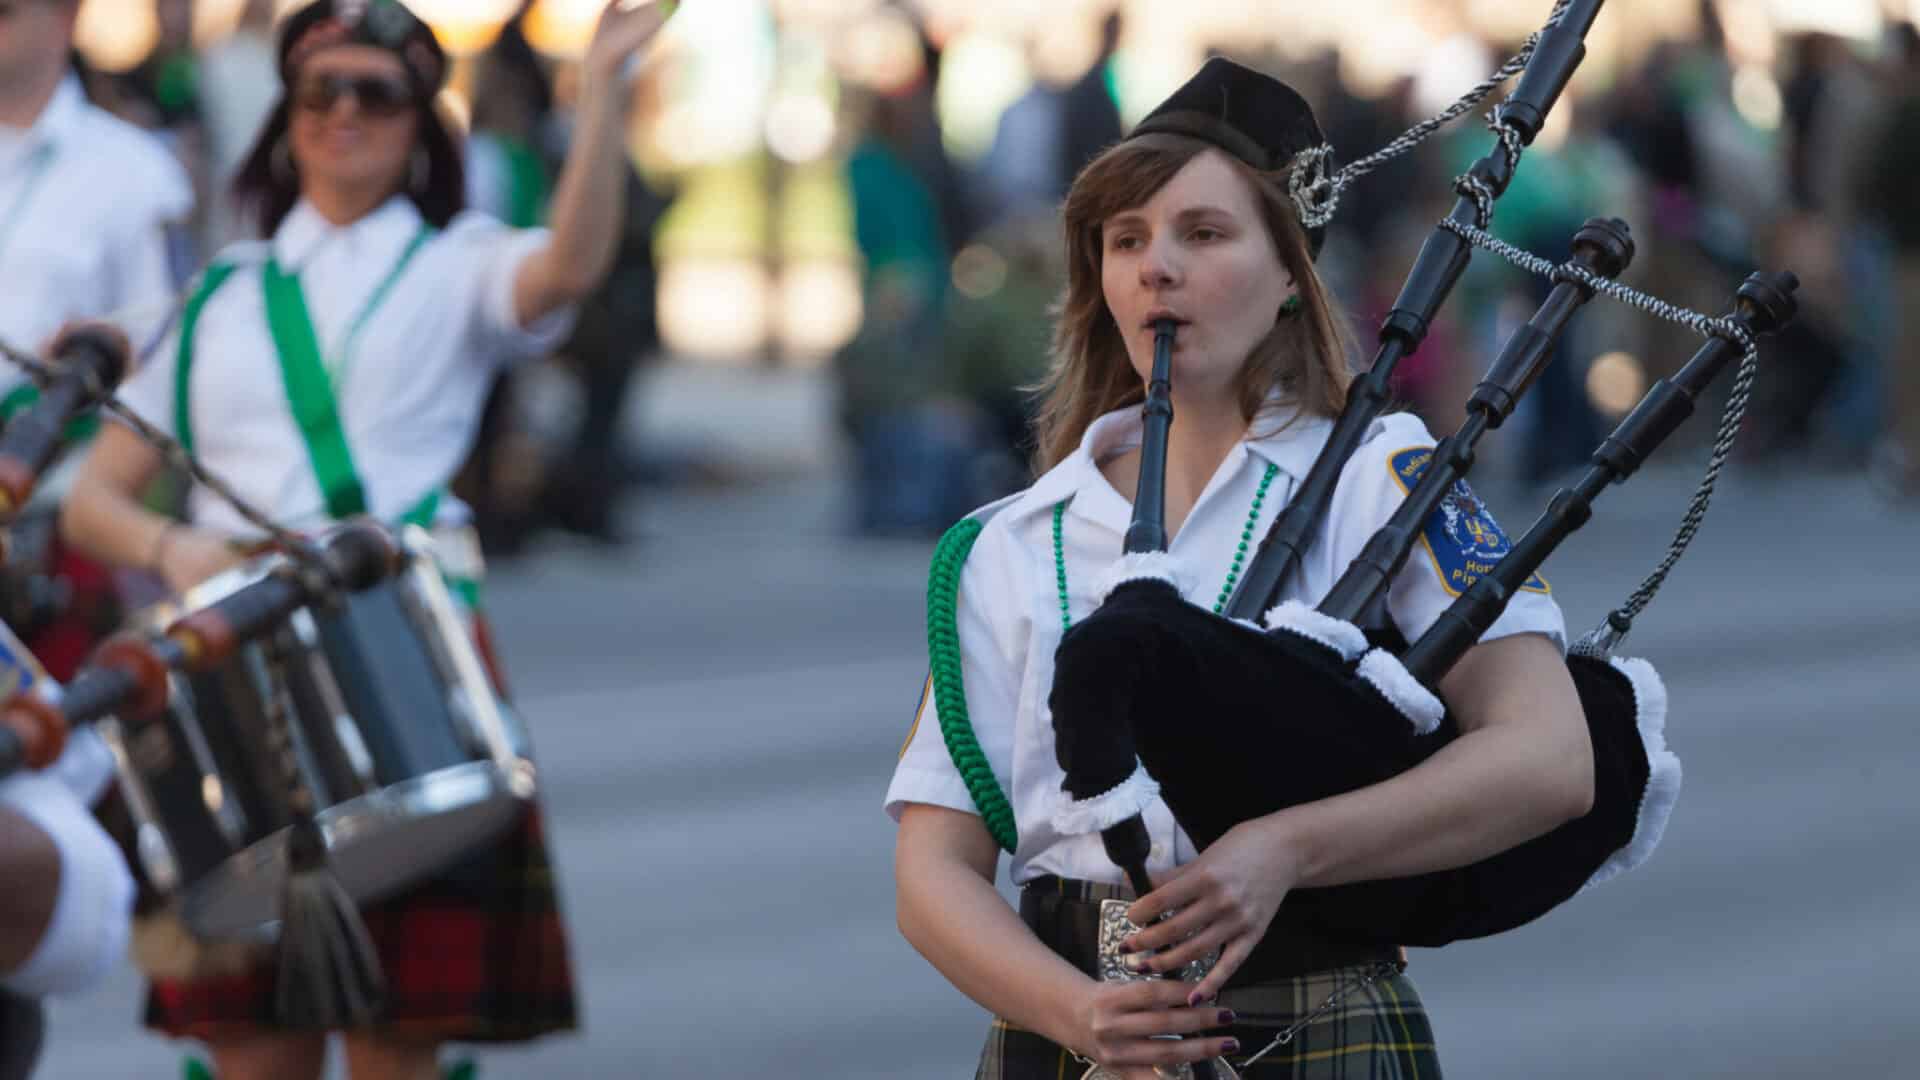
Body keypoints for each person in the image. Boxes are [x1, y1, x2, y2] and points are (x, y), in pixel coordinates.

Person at [886, 59, 1592, 1077]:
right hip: (1069, 1034)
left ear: (1289, 282)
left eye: (1203, 234)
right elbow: (931, 872)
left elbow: (1550, 758)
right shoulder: (1008, 541)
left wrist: (1289, 847)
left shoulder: (1381, 482)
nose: (1154, 267)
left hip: (1313, 1015)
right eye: (1126, 240)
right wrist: (1079, 1015)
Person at [58, 2, 675, 1077]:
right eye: (319, 91)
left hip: (401, 652)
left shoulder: (461, 265)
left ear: (418, 123)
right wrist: (173, 552)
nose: (345, 113)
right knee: (250, 1044)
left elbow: (570, 268)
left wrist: (607, 84)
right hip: (230, 659)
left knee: (400, 1039)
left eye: (376, 94)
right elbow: (93, 500)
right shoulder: (213, 298)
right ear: (286, 116)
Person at [0, 0, 194, 680]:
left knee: (61, 763)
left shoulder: (135, 171)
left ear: (64, 17)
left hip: (55, 518)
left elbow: (168, 357)